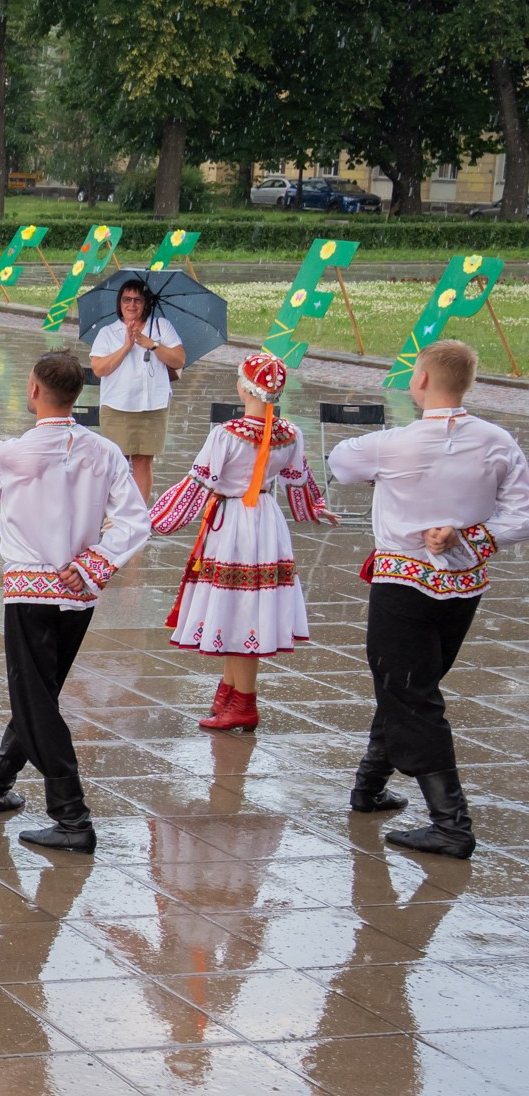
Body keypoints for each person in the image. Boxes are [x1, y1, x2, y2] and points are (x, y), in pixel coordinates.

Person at [326, 338, 529, 859]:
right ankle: (368, 788)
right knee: (406, 682)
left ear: (420, 381)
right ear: (467, 382)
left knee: (412, 694)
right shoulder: (497, 440)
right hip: (464, 585)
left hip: (404, 584)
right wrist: (470, 534)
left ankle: (451, 824)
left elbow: (340, 462)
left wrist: (389, 464)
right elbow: (521, 512)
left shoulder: (397, 443)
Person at [0, 348, 151, 855]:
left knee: (35, 700)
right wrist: (95, 563)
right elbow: (135, 521)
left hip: (29, 591)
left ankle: (72, 815)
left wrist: (14, 493)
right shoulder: (104, 451)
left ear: (35, 389)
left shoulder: (12, 452)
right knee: (37, 696)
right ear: (77, 394)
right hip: (78, 591)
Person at [148, 351, 338, 731]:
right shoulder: (291, 434)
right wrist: (315, 508)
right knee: (242, 607)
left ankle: (244, 703)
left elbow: (196, 486)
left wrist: (152, 520)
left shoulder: (226, 435)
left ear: (241, 386)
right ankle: (231, 692)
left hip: (233, 524)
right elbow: (300, 484)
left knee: (242, 608)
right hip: (266, 522)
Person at [89, 277, 187, 503]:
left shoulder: (161, 326)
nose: (131, 305)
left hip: (153, 405)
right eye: (126, 300)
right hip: (117, 405)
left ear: (147, 303)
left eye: (137, 300)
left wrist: (151, 343)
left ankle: (140, 513)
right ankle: (115, 510)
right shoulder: (108, 332)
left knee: (144, 461)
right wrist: (126, 346)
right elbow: (99, 368)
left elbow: (179, 359)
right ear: (119, 303)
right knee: (117, 462)